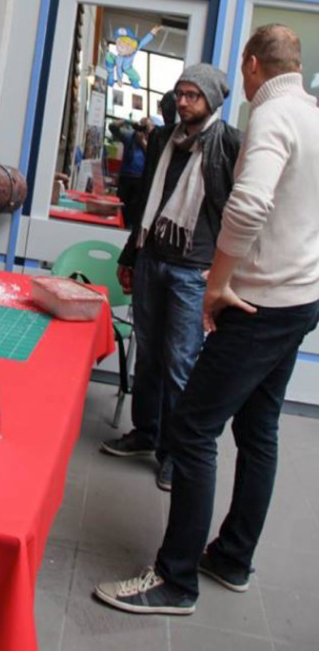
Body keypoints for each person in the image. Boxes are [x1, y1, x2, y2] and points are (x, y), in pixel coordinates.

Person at [94, 25, 319, 616]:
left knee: (192, 429)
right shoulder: (313, 114)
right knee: (259, 429)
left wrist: (217, 283)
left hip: (259, 303)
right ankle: (232, 557)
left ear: (251, 65)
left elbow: (247, 205)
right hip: (299, 300)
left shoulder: (269, 115)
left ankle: (175, 580)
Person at [101, 64, 242, 491]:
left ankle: (176, 453)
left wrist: (223, 269)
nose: (182, 102)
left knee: (180, 364)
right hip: (151, 259)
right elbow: (148, 199)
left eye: (192, 95)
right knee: (148, 355)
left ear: (211, 99)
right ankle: (146, 432)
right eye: (179, 94)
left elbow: (240, 211)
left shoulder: (228, 142)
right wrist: (131, 255)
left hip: (192, 271)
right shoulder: (163, 138)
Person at [109, 116, 154, 228]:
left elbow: (152, 155)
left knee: (135, 210)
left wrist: (142, 141)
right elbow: (112, 127)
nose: (142, 129)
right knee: (121, 207)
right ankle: (119, 226)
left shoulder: (152, 140)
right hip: (125, 176)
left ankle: (130, 229)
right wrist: (126, 121)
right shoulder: (129, 136)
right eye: (141, 125)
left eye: (145, 126)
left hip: (140, 179)